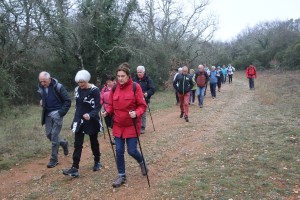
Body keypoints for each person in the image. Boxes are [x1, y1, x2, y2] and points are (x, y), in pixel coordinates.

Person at [101, 63, 148, 188]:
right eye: (118, 76)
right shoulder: (115, 88)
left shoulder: (135, 87)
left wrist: (136, 113)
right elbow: (110, 104)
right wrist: (107, 111)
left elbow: (142, 106)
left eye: (122, 76)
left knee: (132, 150)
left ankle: (142, 162)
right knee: (119, 150)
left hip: (131, 125)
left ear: (128, 76)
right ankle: (121, 175)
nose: (120, 78)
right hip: (118, 125)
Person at [63, 70, 102, 177]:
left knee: (94, 141)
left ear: (87, 80)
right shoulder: (77, 90)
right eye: (79, 83)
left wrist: (90, 114)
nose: (81, 85)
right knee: (77, 144)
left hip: (91, 119)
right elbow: (78, 105)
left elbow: (98, 106)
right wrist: (76, 117)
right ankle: (75, 168)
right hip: (79, 119)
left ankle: (97, 161)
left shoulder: (94, 90)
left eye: (82, 82)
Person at [38, 71, 71, 168]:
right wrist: (42, 101)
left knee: (54, 135)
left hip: (57, 114)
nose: (42, 83)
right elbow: (44, 97)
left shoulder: (58, 87)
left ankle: (54, 159)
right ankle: (64, 143)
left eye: (44, 81)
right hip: (47, 114)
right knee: (49, 135)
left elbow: (67, 101)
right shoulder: (41, 87)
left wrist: (60, 113)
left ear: (49, 78)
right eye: (41, 81)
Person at [133, 65, 156, 134]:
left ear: (144, 72)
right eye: (138, 72)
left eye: (140, 72)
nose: (139, 73)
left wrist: (147, 93)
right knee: (135, 112)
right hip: (134, 99)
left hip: (144, 99)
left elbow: (153, 89)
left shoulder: (148, 80)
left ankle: (142, 127)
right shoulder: (134, 80)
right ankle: (136, 126)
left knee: (142, 113)